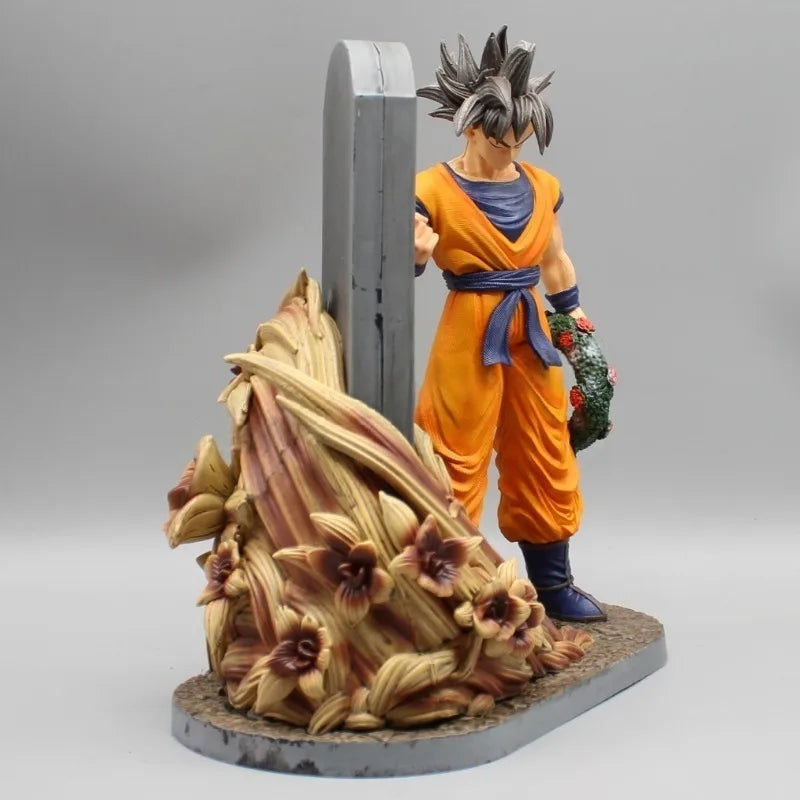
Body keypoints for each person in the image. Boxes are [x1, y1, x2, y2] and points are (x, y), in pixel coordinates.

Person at [413, 26, 606, 622]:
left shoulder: (541, 186)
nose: (513, 151)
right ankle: (441, 588)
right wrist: (412, 255)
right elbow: (394, 266)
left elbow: (554, 259)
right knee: (452, 453)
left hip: (531, 330)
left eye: (522, 139)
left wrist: (578, 328)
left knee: (544, 448)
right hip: (468, 328)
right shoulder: (430, 190)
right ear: (470, 127)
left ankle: (554, 584)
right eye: (502, 140)